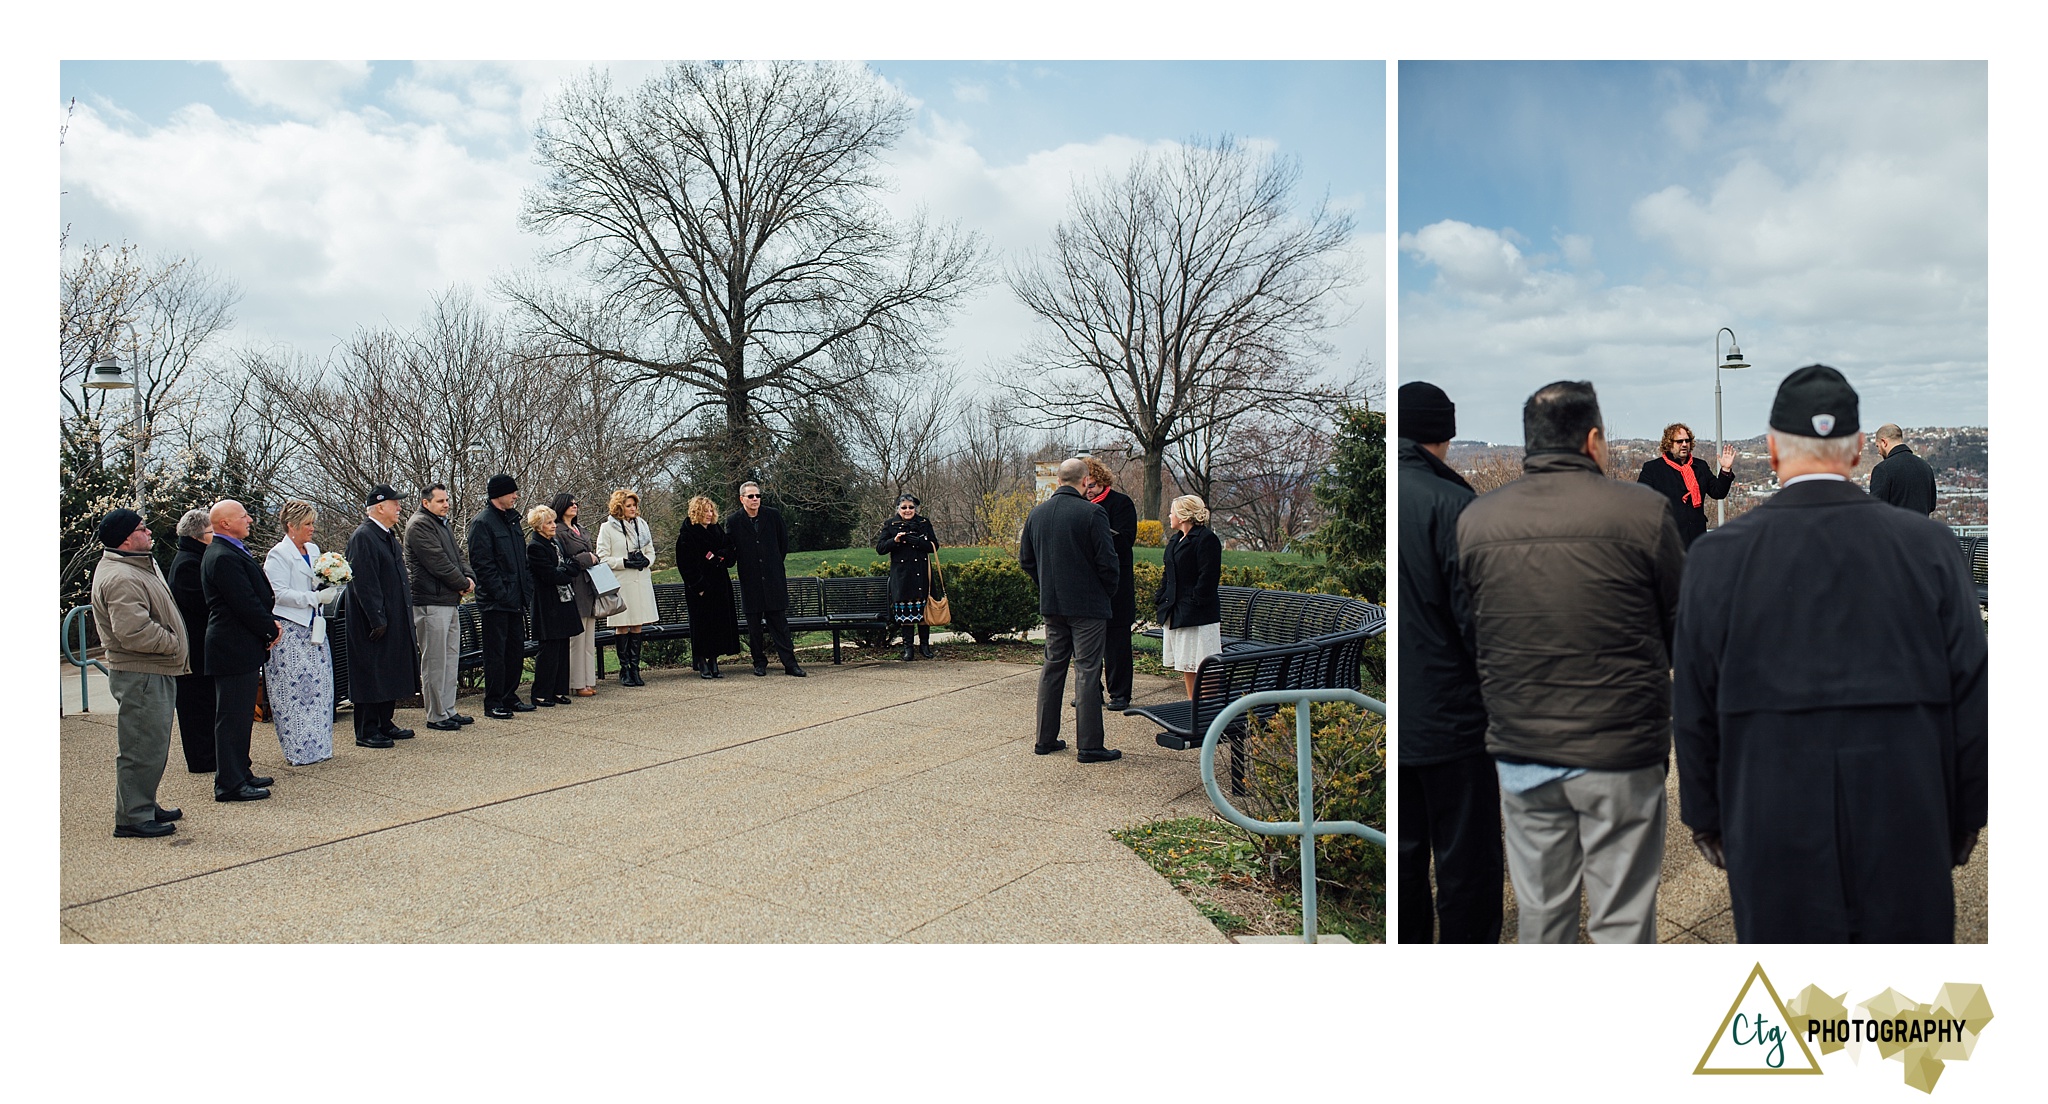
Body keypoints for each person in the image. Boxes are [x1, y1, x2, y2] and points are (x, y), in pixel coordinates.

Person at [1673, 365, 1986, 942]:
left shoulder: (1716, 559)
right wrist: (1967, 817)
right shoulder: (1933, 549)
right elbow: (1972, 696)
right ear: (1859, 450)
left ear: (1770, 451)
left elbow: (1693, 706)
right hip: (1906, 815)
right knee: (1907, 1015)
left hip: (1769, 818)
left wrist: (1707, 819)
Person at [1457, 381, 1684, 943]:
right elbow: (1682, 629)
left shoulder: (1478, 522)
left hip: (1522, 746)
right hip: (1620, 747)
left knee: (1543, 916)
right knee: (1623, 922)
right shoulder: (1644, 513)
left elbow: (1472, 632)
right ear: (1593, 440)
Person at [1394, 381, 1503, 944]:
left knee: (1404, 861)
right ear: (1447, 432)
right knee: (1467, 865)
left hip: (1400, 714)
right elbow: (1482, 626)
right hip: (1455, 721)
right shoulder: (1458, 507)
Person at [90, 509, 190, 838]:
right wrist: (173, 644)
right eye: (141, 528)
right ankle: (132, 816)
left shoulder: (135, 565)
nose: (148, 533)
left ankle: (143, 803)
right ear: (125, 539)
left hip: (151, 669)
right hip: (141, 672)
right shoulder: (121, 576)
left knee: (152, 745)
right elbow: (132, 631)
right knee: (140, 747)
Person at [1018, 457, 1121, 763]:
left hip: (1053, 604)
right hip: (1087, 605)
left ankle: (1044, 739)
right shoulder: (1093, 513)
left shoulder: (1036, 514)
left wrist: (1047, 585)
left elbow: (1026, 560)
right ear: (1085, 480)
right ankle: (1089, 746)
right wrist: (1106, 592)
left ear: (1058, 480)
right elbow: (1108, 563)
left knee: (1053, 668)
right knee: (1088, 671)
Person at [201, 499, 280, 803]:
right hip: (231, 646)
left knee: (241, 713)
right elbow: (244, 601)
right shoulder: (222, 556)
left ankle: (241, 770)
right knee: (232, 716)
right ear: (224, 523)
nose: (249, 520)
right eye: (243, 516)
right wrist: (270, 628)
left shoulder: (230, 550)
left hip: (241, 644)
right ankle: (230, 783)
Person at [263, 499, 340, 765]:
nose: (312, 529)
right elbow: (279, 594)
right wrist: (313, 598)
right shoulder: (278, 555)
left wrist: (332, 580)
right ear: (291, 526)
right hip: (292, 628)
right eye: (307, 524)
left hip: (315, 627)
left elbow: (317, 577)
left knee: (320, 689)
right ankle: (298, 749)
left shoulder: (313, 549)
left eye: (312, 523)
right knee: (295, 692)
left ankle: (320, 745)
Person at [344, 485, 420, 749]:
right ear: (379, 507)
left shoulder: (386, 536)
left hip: (393, 615)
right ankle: (367, 729)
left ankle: (385, 721)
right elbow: (363, 581)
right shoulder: (364, 537)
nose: (399, 507)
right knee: (371, 672)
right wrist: (376, 617)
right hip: (372, 621)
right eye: (394, 503)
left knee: (389, 670)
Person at [407, 483, 475, 730]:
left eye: (447, 500)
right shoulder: (419, 525)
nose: (446, 504)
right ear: (426, 503)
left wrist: (470, 578)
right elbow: (438, 562)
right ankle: (436, 715)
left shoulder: (441, 525)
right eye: (440, 501)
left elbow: (458, 556)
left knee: (449, 659)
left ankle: (448, 709)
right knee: (435, 661)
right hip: (431, 602)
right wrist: (461, 582)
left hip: (449, 600)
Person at [468, 474, 534, 719]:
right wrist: (502, 593)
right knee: (496, 653)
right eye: (512, 492)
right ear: (498, 494)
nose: (516, 496)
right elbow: (483, 565)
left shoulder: (513, 522)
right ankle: (493, 701)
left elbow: (522, 561)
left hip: (516, 600)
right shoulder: (483, 523)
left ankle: (510, 696)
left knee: (515, 650)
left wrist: (525, 590)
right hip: (496, 603)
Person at [727, 481, 806, 677]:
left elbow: (783, 543)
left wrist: (774, 564)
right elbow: (731, 548)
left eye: (758, 496)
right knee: (754, 627)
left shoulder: (773, 515)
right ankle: (759, 663)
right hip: (750, 580)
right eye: (751, 496)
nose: (755, 500)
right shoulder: (734, 521)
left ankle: (790, 664)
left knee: (780, 625)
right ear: (742, 499)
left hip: (773, 580)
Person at [1081, 458, 1138, 709]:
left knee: (1117, 644)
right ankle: (1091, 691)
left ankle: (1120, 694)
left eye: (1092, 484)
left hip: (1116, 585)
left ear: (1102, 481)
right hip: (1088, 586)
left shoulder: (1121, 504)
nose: (1089, 490)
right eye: (1085, 485)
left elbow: (1125, 540)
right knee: (1086, 644)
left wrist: (1098, 537)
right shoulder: (1080, 506)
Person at [1154, 495, 1222, 700]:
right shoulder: (1176, 540)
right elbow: (1169, 573)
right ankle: (1194, 708)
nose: (1169, 515)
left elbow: (1208, 576)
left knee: (1203, 663)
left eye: (1172, 511)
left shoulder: (1206, 538)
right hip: (1177, 611)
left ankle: (1207, 712)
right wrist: (1161, 596)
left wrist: (1195, 601)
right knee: (1188, 663)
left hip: (1199, 616)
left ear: (1183, 515)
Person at [168, 507, 218, 774]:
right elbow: (203, 603)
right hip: (194, 649)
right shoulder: (188, 564)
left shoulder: (194, 559)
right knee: (196, 707)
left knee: (205, 703)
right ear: (199, 536)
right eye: (211, 532)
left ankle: (209, 755)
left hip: (199, 647)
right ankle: (202, 759)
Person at [1635, 422, 1735, 548]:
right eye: (1679, 441)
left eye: (1687, 441)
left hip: (1697, 540)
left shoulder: (1700, 466)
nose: (1684, 444)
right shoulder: (1653, 469)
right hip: (1668, 542)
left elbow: (1718, 492)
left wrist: (1725, 470)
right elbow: (1641, 501)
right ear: (1669, 444)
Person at [596, 487, 660, 687]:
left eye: (634, 505)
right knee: (623, 625)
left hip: (640, 580)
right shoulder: (607, 528)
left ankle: (635, 667)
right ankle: (624, 670)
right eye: (628, 505)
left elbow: (650, 551)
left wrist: (645, 561)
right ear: (619, 507)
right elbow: (602, 557)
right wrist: (624, 561)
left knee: (638, 624)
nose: (633, 509)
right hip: (622, 582)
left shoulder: (642, 525)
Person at [676, 495, 741, 679]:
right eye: (705, 511)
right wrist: (699, 586)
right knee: (701, 623)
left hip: (720, 584)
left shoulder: (717, 530)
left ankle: (714, 659)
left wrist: (722, 556)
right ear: (697, 512)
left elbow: (730, 550)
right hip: (701, 588)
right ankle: (701, 660)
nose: (709, 514)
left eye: (711, 510)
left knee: (718, 623)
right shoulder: (687, 535)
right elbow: (685, 564)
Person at [525, 505, 583, 707]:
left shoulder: (556, 542)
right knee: (548, 649)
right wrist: (564, 570)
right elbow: (550, 575)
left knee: (562, 647)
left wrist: (564, 569)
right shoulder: (535, 547)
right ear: (539, 526)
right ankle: (541, 693)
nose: (553, 526)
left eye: (553, 522)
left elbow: (573, 565)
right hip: (547, 604)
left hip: (563, 601)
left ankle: (559, 690)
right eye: (549, 522)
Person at [874, 494, 939, 661]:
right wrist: (894, 541)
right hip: (902, 575)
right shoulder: (890, 524)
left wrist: (918, 541)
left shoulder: (924, 523)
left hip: (922, 573)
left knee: (924, 612)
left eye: (911, 507)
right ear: (898, 509)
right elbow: (880, 548)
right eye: (904, 507)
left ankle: (924, 646)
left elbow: (934, 546)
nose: (908, 510)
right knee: (906, 613)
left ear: (916, 509)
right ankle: (908, 648)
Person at [549, 493, 601, 696]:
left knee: (589, 638)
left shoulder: (581, 530)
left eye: (576, 503)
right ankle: (576, 682)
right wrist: (587, 558)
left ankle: (588, 680)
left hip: (588, 585)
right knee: (576, 639)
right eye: (570, 504)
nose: (574, 506)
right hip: (573, 586)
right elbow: (563, 559)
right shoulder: (558, 531)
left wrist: (592, 557)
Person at [1869, 422, 1938, 515]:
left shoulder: (1883, 469)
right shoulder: (1925, 467)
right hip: (1922, 527)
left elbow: (1875, 509)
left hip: (1894, 528)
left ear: (1884, 442)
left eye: (1878, 446)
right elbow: (1931, 505)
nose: (1879, 452)